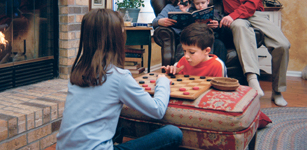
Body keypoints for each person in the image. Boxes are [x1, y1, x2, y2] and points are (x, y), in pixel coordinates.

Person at [56, 9, 183, 150]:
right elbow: (157, 110)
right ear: (116, 37)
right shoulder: (119, 77)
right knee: (172, 133)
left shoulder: (77, 70)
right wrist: (163, 81)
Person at [219, 0, 290, 106]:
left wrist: (233, 16)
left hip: (254, 13)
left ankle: (277, 91)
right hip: (235, 18)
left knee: (282, 45)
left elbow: (252, 3)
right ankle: (252, 80)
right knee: (239, 26)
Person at [152, 0, 227, 63]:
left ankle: (214, 72)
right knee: (184, 46)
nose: (200, 5)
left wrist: (216, 26)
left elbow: (219, 24)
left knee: (219, 44)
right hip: (185, 37)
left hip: (205, 36)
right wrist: (160, 21)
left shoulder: (196, 5)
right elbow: (154, 22)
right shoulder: (170, 7)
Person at [161, 22, 227, 77]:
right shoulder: (183, 61)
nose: (186, 56)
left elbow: (221, 90)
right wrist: (172, 72)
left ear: (207, 51)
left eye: (192, 52)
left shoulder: (217, 65)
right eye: (184, 51)